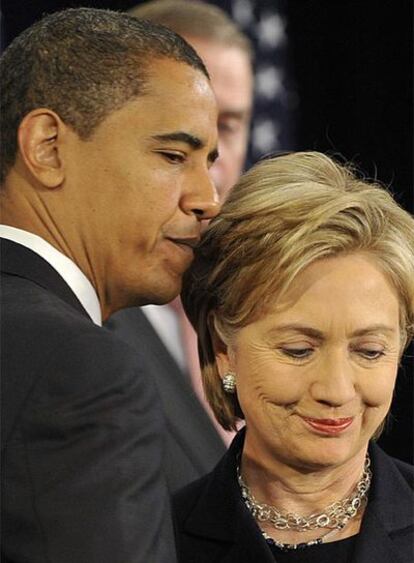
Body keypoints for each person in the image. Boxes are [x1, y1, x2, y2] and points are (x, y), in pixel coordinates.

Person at [0, 8, 220, 563]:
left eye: (209, 163)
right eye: (173, 156)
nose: (207, 199)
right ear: (48, 146)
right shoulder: (78, 369)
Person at [174, 152, 414, 562]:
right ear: (222, 347)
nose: (336, 390)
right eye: (298, 350)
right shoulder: (157, 537)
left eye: (369, 351)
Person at [107, 0, 254, 491]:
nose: (212, 163)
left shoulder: (264, 306)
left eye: (228, 128)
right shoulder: (82, 311)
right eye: (178, 143)